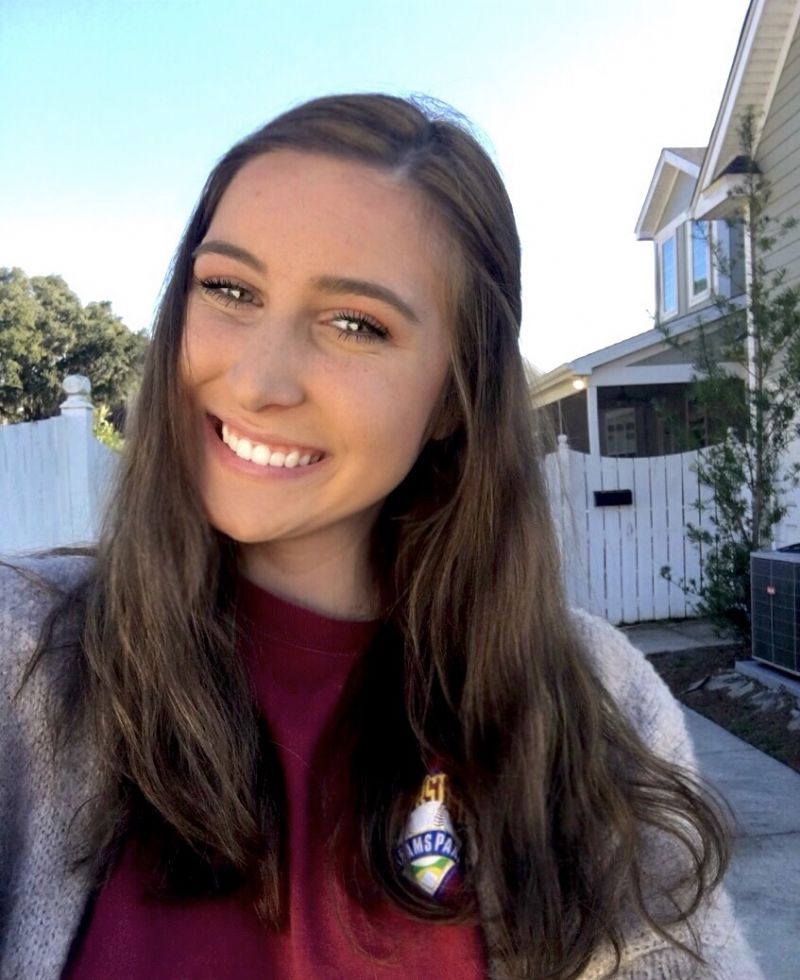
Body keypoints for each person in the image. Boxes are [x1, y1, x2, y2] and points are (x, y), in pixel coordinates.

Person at [0, 94, 762, 980]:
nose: (257, 382)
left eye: (356, 324)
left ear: (453, 398)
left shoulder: (594, 701)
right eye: (230, 289)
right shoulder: (24, 659)